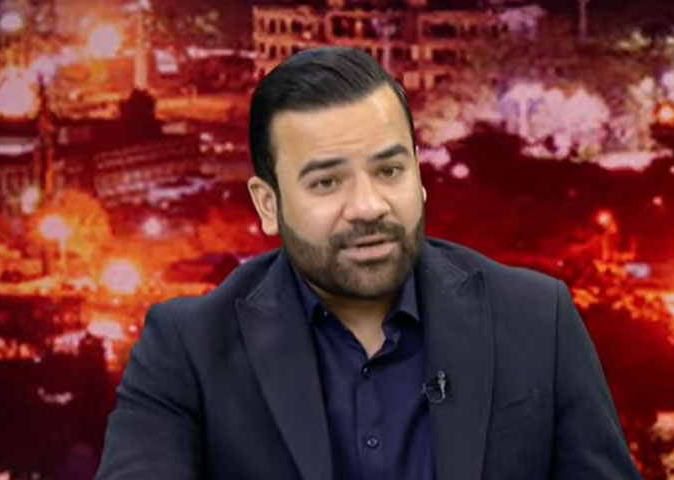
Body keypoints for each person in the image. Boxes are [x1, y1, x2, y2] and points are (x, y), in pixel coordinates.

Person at [95, 46, 642, 480]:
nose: (368, 206)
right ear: (268, 205)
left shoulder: (537, 320)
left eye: (389, 171)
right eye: (327, 182)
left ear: (419, 178)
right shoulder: (185, 351)